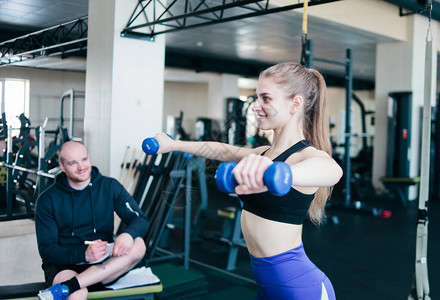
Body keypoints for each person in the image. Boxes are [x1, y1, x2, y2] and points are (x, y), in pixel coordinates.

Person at [153, 62, 343, 300]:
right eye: (256, 98)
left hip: (301, 287)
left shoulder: (304, 157)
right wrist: (174, 144)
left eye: (265, 99)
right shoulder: (263, 153)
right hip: (266, 286)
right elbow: (222, 151)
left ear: (295, 104)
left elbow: (332, 170)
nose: (256, 107)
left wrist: (282, 174)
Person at [35, 141, 149, 300]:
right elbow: (47, 250)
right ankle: (74, 286)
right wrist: (83, 254)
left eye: (84, 160)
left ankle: (70, 286)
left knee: (139, 245)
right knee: (77, 295)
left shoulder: (110, 186)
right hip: (66, 264)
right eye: (72, 163)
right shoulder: (47, 200)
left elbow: (140, 220)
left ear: (89, 158)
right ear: (62, 167)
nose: (81, 167)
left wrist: (127, 235)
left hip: (104, 265)